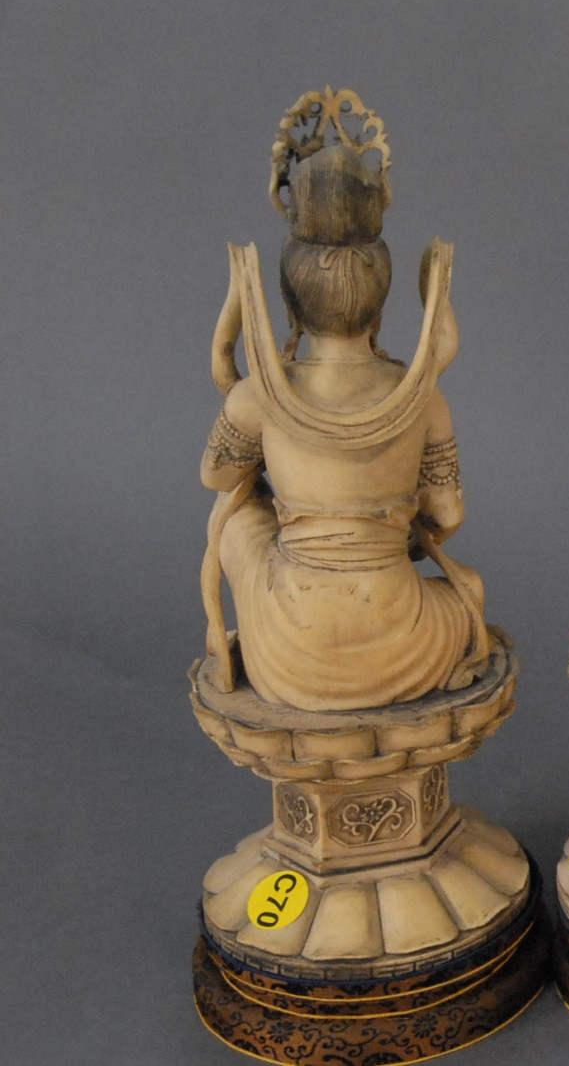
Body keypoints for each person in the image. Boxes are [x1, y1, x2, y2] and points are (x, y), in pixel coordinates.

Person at [200, 91, 486, 711]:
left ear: (291, 303)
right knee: (467, 597)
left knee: (236, 520)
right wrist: (395, 530)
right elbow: (448, 514)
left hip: (289, 647)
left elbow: (217, 475)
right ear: (381, 304)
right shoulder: (422, 397)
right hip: (404, 635)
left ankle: (255, 645)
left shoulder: (258, 394)